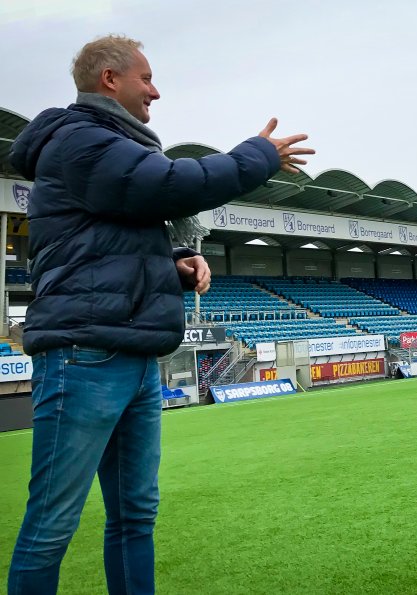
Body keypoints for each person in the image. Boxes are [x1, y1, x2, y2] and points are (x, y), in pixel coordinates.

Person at [7, 34, 314, 594]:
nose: (156, 91)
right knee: (51, 526)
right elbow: (171, 186)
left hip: (132, 354)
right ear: (109, 80)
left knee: (134, 518)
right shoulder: (80, 140)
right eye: (145, 78)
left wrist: (171, 262)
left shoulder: (105, 146)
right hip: (84, 357)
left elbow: (104, 242)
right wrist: (257, 156)